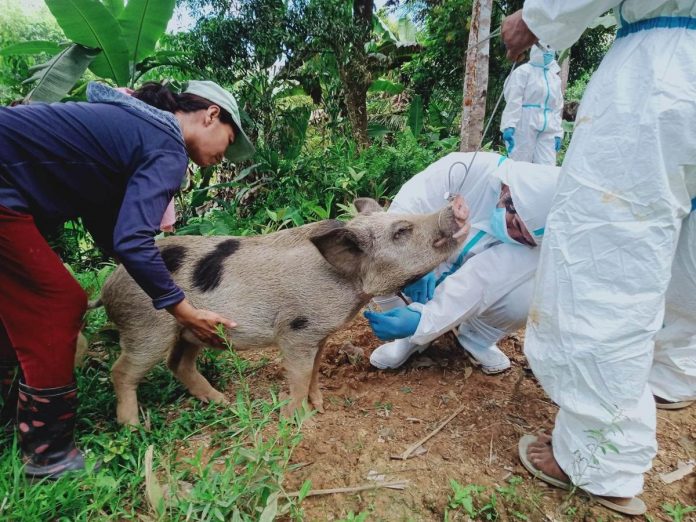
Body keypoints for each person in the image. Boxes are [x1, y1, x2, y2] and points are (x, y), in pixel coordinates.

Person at [0, 79, 254, 479]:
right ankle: (49, 457)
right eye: (229, 141)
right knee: (57, 303)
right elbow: (132, 241)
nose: (225, 156)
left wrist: (158, 277)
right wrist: (184, 310)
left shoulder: (132, 127)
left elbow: (111, 231)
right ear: (211, 115)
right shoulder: (166, 144)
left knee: (19, 301)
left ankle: (10, 408)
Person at [502, 1, 696, 516]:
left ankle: (598, 459)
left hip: (664, 71)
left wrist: (539, 16)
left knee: (610, 260)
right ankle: (673, 373)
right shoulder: (523, 83)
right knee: (688, 252)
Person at [364, 152, 559, 374]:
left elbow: (481, 281)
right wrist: (416, 263)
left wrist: (424, 320)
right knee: (378, 260)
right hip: (424, 259)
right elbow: (411, 203)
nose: (510, 228)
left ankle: (475, 336)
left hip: (469, 289)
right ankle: (407, 339)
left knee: (525, 297)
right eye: (512, 214)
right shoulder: (470, 168)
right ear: (507, 188)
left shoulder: (538, 243)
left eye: (523, 235)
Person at [500, 43, 563, 166]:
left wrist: (558, 133)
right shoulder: (523, 72)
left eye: (552, 49)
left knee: (547, 167)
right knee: (519, 165)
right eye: (547, 48)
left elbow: (557, 107)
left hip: (548, 126)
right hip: (524, 123)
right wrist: (509, 124)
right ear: (537, 48)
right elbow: (514, 99)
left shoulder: (554, 78)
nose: (550, 53)